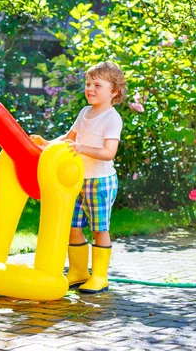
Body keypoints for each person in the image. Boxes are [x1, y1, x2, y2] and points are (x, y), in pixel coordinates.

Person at [30, 61, 127, 293]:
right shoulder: (85, 112)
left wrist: (82, 148)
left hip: (100, 182)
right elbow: (69, 137)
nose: (90, 89)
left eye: (97, 85)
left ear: (114, 91)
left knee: (98, 229)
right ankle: (78, 271)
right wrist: (47, 144)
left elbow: (109, 153)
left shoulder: (112, 118)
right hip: (76, 181)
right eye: (87, 84)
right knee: (73, 227)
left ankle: (100, 276)